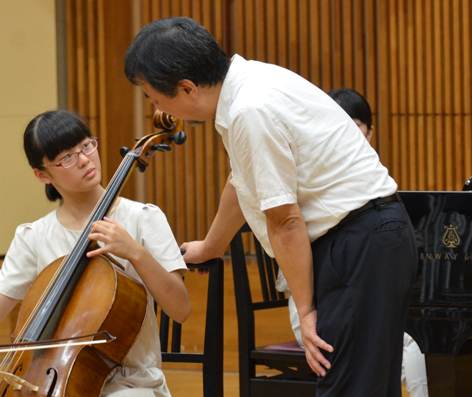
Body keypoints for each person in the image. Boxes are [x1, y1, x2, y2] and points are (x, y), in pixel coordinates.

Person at [124, 17, 417, 397]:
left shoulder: (249, 110)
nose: (156, 106)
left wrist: (306, 311)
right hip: (372, 240)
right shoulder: (250, 81)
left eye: (153, 96)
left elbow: (286, 221)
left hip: (357, 246)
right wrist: (211, 246)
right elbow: (241, 180)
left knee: (350, 390)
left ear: (186, 88)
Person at [0, 110, 191, 397]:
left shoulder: (143, 218)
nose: (84, 159)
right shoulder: (33, 237)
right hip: (51, 383)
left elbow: (180, 309)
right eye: (67, 157)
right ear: (42, 174)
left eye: (86, 145)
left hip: (132, 384)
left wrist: (135, 252)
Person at [284, 87, 428, 397]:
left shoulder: (372, 184)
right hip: (314, 296)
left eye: (354, 125)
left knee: (412, 344)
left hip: (355, 285)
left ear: (370, 132)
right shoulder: (313, 178)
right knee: (411, 344)